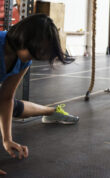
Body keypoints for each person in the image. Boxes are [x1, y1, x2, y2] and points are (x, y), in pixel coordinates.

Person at [0, 14, 79, 169]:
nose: (35, 57)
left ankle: (51, 112)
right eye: (36, 51)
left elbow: (6, 98)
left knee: (11, 106)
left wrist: (7, 139)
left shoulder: (24, 60)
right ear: (24, 38)